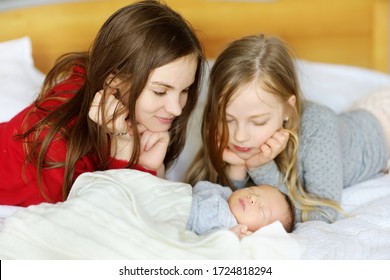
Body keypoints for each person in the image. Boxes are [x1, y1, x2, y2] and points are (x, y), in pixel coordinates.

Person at [0, 0, 205, 207]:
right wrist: (124, 149)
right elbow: (106, 220)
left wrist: (152, 168)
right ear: (113, 81)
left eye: (185, 90)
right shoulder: (59, 146)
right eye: (160, 91)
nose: (176, 108)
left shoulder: (139, 118)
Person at [185, 34, 390, 224]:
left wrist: (260, 168)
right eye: (227, 119)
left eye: (258, 122)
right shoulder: (221, 134)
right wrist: (237, 170)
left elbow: (323, 212)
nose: (240, 136)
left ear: (287, 110)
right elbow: (242, 204)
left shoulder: (317, 127)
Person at [186, 181, 294, 239]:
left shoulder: (229, 229)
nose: (253, 198)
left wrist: (230, 238)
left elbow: (204, 246)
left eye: (262, 210)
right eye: (253, 190)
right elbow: (199, 187)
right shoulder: (225, 192)